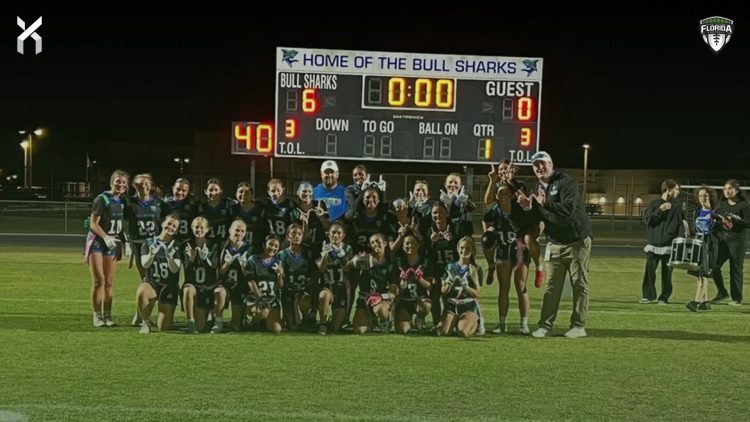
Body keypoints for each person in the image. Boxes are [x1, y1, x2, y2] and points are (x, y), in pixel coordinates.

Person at [518, 151, 592, 339]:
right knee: (552, 287)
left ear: (551, 164)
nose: (540, 168)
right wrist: (528, 207)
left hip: (577, 241)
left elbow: (568, 210)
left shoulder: (567, 182)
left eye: (543, 163)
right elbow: (538, 219)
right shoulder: (536, 189)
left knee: (579, 284)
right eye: (536, 165)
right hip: (555, 243)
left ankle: (578, 325)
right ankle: (545, 325)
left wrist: (546, 203)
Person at [84, 169, 129, 327]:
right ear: (112, 182)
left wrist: (125, 241)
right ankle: (96, 316)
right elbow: (93, 223)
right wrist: (105, 237)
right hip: (98, 242)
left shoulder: (122, 201)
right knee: (99, 281)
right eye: (118, 181)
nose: (120, 184)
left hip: (112, 242)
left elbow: (118, 225)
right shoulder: (102, 199)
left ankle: (108, 316)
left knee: (109, 282)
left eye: (123, 182)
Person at [485, 185, 531, 334]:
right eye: (500, 193)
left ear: (512, 196)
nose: (503, 196)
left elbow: (532, 225)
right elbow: (486, 221)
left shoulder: (519, 210)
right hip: (503, 249)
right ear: (496, 196)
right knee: (503, 288)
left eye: (506, 193)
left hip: (519, 250)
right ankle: (502, 323)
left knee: (521, 286)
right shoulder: (495, 210)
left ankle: (524, 323)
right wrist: (490, 232)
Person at [136, 214, 182, 333]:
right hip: (153, 283)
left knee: (163, 327)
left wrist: (170, 257)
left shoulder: (176, 245)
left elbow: (175, 269)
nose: (170, 227)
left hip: (169, 286)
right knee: (142, 291)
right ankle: (145, 323)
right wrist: (151, 254)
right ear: (162, 223)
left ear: (176, 230)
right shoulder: (149, 242)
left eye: (174, 226)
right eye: (169, 223)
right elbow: (145, 264)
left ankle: (167, 316)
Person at [640, 179, 684, 304]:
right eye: (676, 189)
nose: (678, 192)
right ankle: (647, 295)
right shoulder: (655, 203)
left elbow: (680, 223)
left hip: (669, 245)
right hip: (653, 244)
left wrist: (680, 238)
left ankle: (664, 297)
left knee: (667, 274)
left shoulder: (677, 205)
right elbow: (647, 221)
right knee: (649, 272)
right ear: (669, 190)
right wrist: (660, 210)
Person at [710, 179, 749, 305]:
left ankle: (736, 298)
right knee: (714, 266)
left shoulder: (744, 205)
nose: (727, 191)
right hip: (724, 240)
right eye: (725, 189)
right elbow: (716, 218)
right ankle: (722, 292)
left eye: (730, 189)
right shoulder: (722, 205)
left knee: (735, 269)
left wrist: (734, 219)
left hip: (738, 241)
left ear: (736, 190)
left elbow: (748, 223)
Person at [438, 236, 482, 337]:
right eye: (462, 248)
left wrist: (466, 287)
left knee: (462, 332)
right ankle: (455, 321)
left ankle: (476, 323)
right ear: (457, 248)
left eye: (468, 248)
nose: (464, 251)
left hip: (468, 305)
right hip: (452, 304)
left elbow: (477, 294)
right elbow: (443, 291)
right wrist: (449, 282)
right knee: (442, 332)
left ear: (472, 251)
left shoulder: (475, 269)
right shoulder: (449, 267)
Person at [182, 216, 219, 332]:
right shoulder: (187, 245)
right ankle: (190, 322)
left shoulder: (213, 245)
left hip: (208, 287)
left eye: (202, 227)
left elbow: (214, 269)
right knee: (188, 289)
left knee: (201, 327)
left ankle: (209, 315)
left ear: (207, 229)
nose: (199, 230)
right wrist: (192, 260)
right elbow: (187, 273)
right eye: (196, 227)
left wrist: (206, 258)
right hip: (194, 286)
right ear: (192, 228)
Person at [316, 222, 354, 335]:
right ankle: (322, 323)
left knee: (334, 328)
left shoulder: (347, 248)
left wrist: (342, 255)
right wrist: (324, 257)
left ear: (343, 236)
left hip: (342, 286)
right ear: (328, 234)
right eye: (333, 232)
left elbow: (347, 269)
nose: (336, 235)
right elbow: (321, 269)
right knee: (323, 296)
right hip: (328, 285)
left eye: (339, 233)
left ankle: (329, 323)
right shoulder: (323, 246)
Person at [686, 186, 718, 312]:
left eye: (705, 195)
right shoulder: (697, 212)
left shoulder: (715, 211)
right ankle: (705, 302)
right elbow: (695, 228)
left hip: (709, 245)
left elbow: (719, 231)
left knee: (703, 274)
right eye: (700, 196)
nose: (702, 198)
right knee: (699, 274)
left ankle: (696, 301)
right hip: (698, 244)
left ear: (710, 196)